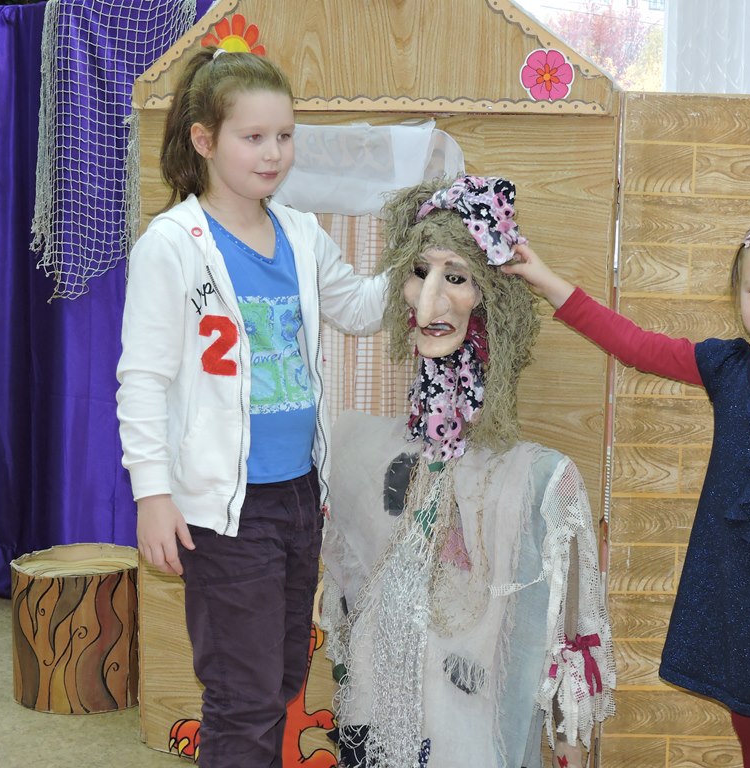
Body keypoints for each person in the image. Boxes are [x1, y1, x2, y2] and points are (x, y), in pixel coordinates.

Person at [503, 216, 750, 768]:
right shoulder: (727, 367)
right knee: (748, 722)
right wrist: (545, 279)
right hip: (730, 584)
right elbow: (634, 344)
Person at [115, 47, 387, 768]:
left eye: (284, 136)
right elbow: (141, 379)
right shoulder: (172, 246)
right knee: (243, 694)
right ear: (204, 140)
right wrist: (153, 495)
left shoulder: (300, 232)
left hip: (298, 496)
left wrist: (434, 253)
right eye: (254, 137)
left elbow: (361, 307)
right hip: (222, 510)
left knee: (283, 680)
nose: (273, 154)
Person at [319, 175, 615, 768]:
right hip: (379, 708)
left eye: (456, 277)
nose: (430, 300)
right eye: (419, 273)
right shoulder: (358, 452)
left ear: (491, 300)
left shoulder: (537, 481)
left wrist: (568, 737)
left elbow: (558, 631)